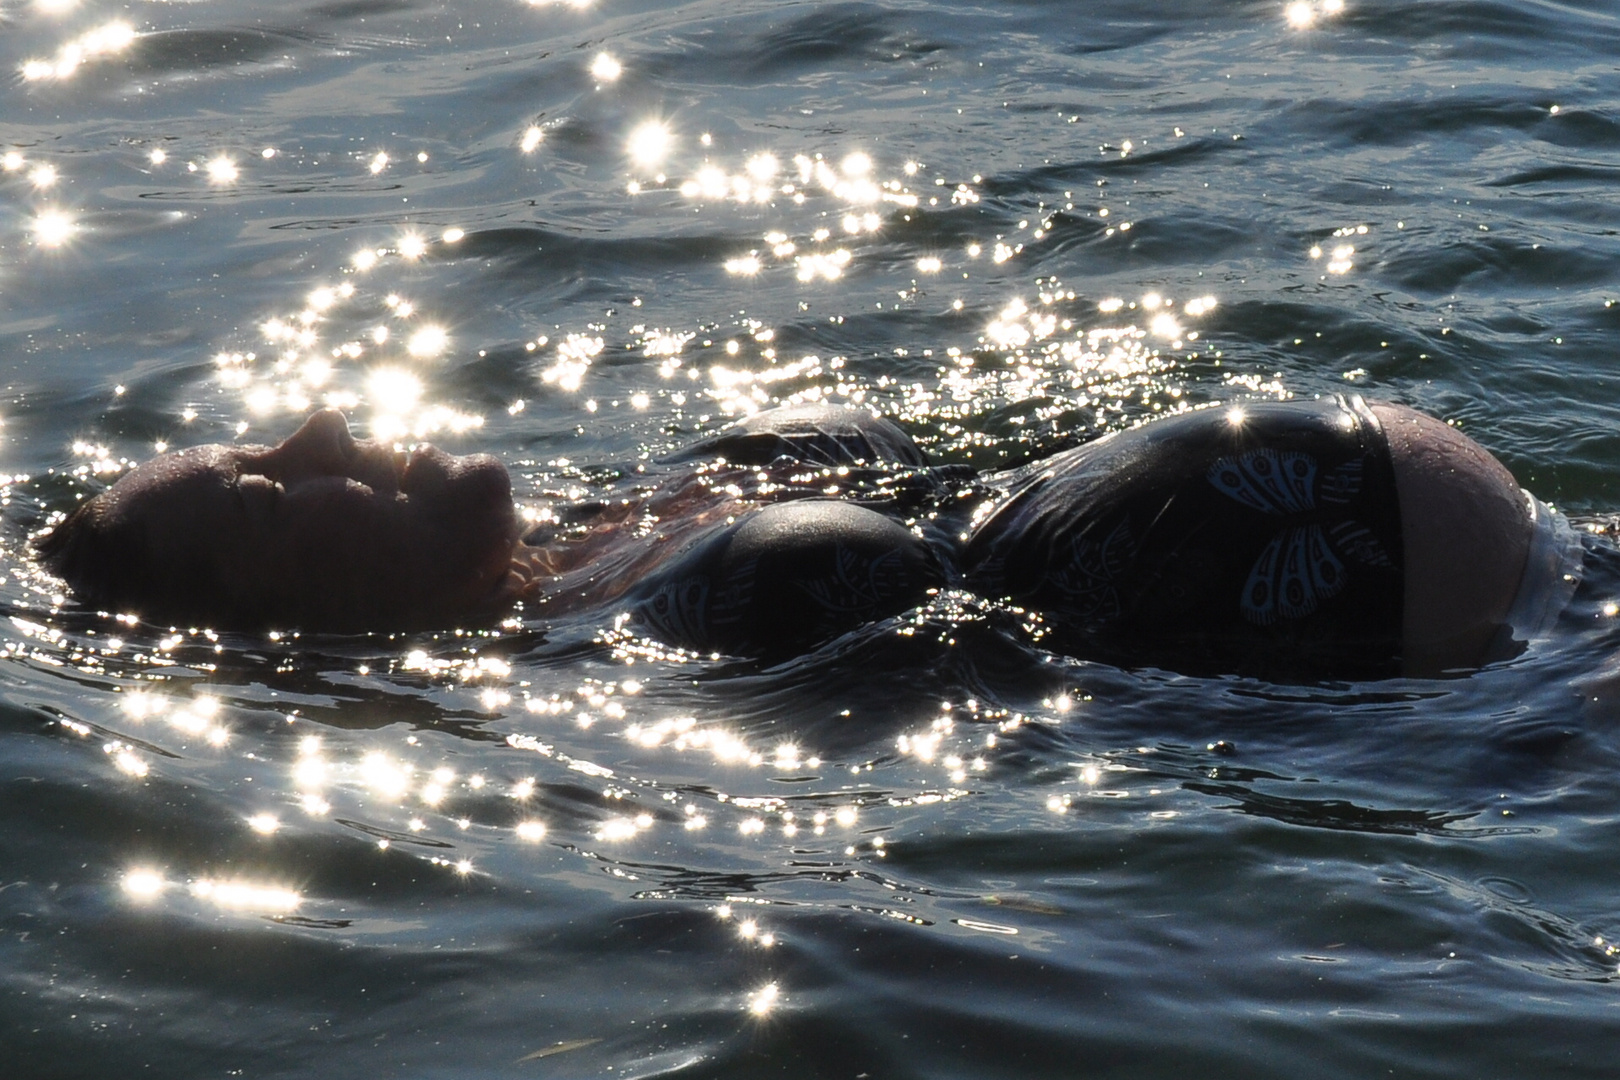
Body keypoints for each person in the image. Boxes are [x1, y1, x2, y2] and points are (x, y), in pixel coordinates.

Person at [33, 396, 1581, 679]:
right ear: (282, 641)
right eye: (255, 499)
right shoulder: (617, 696)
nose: (311, 434)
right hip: (1510, 712)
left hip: (1573, 577)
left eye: (247, 444)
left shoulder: (627, 515)